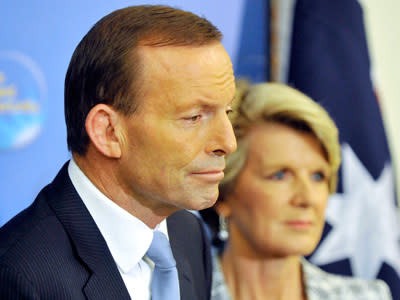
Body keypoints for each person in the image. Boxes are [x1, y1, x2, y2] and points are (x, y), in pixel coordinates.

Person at [0, 5, 237, 300]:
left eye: (227, 111)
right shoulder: (18, 275)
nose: (228, 143)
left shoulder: (187, 233)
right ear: (108, 132)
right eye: (193, 117)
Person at [200, 81, 393, 300]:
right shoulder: (173, 291)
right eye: (280, 175)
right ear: (224, 194)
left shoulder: (366, 297)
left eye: (318, 176)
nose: (307, 198)